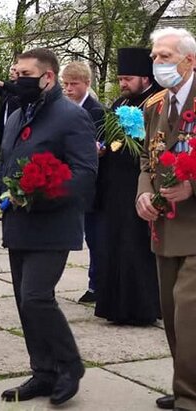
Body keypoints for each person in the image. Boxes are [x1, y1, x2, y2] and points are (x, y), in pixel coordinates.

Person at [0, 48, 97, 405]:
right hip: (18, 225)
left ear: (47, 77)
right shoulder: (17, 114)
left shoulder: (70, 117)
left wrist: (38, 196)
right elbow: (5, 165)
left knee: (36, 296)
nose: (16, 80)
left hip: (53, 223)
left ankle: (70, 365)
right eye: (14, 73)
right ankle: (43, 372)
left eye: (24, 74)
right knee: (23, 300)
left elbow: (85, 173)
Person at [136, 27, 196, 411]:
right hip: (165, 225)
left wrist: (193, 186)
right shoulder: (155, 106)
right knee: (173, 315)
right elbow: (146, 159)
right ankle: (184, 385)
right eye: (155, 57)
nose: (158, 64)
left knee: (190, 311)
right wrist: (143, 192)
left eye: (166, 57)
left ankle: (190, 398)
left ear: (190, 61)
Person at [94, 47, 161, 326]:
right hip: (114, 186)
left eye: (128, 78)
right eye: (120, 78)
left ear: (145, 78)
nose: (123, 83)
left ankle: (142, 309)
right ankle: (114, 307)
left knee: (136, 246)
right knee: (112, 245)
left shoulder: (157, 103)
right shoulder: (120, 103)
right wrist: (101, 149)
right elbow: (110, 139)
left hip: (139, 183)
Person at [61, 61, 105, 304]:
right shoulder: (64, 108)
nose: (68, 89)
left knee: (94, 236)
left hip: (90, 183)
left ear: (87, 84)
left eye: (73, 84)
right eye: (65, 84)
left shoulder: (95, 110)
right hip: (69, 178)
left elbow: (98, 144)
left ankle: (96, 285)